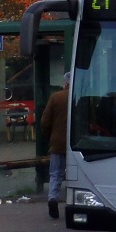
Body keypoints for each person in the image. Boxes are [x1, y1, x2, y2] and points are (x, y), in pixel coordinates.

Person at [40, 71, 71, 219]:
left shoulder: (55, 97)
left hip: (57, 142)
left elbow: (45, 122)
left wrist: (50, 136)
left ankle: (53, 197)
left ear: (65, 83)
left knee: (55, 174)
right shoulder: (81, 97)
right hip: (77, 145)